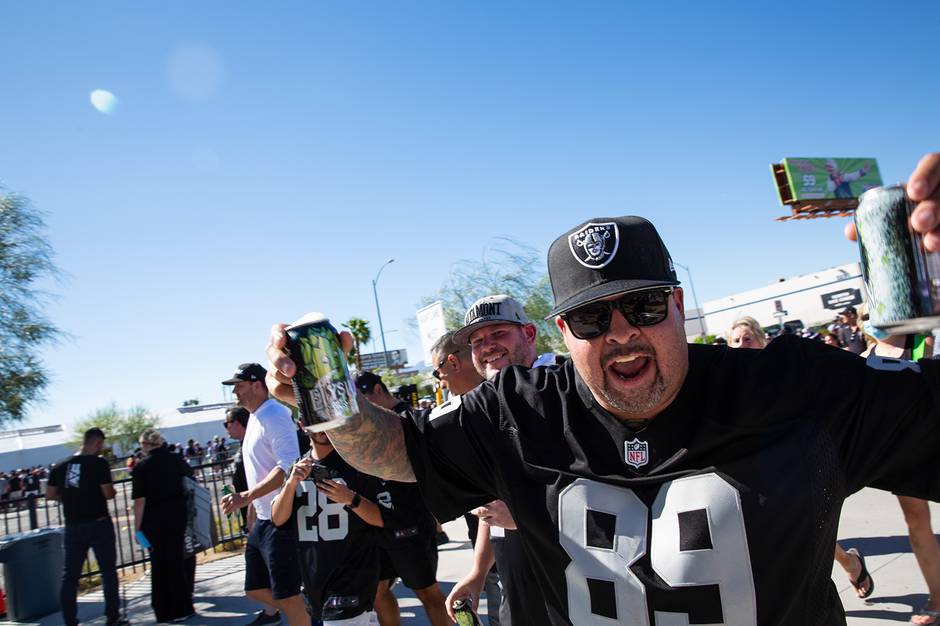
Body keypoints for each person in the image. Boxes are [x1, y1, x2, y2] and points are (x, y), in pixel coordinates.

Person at [266, 155, 940, 624]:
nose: (621, 332)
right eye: (593, 317)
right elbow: (397, 454)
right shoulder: (519, 413)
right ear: (562, 331)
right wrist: (326, 406)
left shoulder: (792, 387)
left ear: (678, 303)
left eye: (643, 306)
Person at [447, 294, 559, 624]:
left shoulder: (562, 389)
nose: (487, 346)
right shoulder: (485, 405)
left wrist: (525, 516)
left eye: (498, 333)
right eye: (477, 340)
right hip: (516, 584)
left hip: (573, 582)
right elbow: (492, 506)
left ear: (529, 334)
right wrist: (478, 572)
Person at [354, 372, 450, 626]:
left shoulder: (408, 417)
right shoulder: (366, 426)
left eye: (362, 396)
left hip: (411, 523)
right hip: (378, 522)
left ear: (376, 390)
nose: (359, 405)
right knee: (377, 591)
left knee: (427, 593)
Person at [272, 427, 386, 625]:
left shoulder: (356, 463)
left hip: (352, 576)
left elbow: (383, 518)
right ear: (303, 424)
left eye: (327, 419)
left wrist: (351, 498)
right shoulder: (297, 468)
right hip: (315, 578)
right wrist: (290, 485)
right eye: (316, 421)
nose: (322, 427)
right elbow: (278, 519)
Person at [219, 363, 306, 626]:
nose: (235, 391)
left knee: (289, 596)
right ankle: (306, 611)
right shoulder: (256, 417)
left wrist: (245, 497)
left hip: (282, 519)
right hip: (263, 520)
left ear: (258, 385)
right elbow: (260, 470)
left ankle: (303, 613)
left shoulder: (274, 414)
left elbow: (288, 466)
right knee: (254, 589)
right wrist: (253, 509)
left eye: (239, 385)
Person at [46, 428, 128, 626]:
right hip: (98, 523)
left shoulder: (59, 466)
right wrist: (110, 491)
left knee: (70, 575)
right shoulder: (98, 464)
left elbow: (50, 494)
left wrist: (68, 497)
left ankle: (70, 620)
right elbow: (108, 493)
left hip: (73, 525)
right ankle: (112, 616)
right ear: (97, 443)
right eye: (101, 445)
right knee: (107, 570)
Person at [132, 429, 196, 623]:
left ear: (146, 445)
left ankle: (165, 609)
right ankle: (183, 605)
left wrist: (137, 527)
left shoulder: (141, 467)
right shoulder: (176, 459)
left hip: (154, 519)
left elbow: (140, 500)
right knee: (176, 560)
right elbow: (191, 480)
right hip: (177, 514)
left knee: (159, 564)